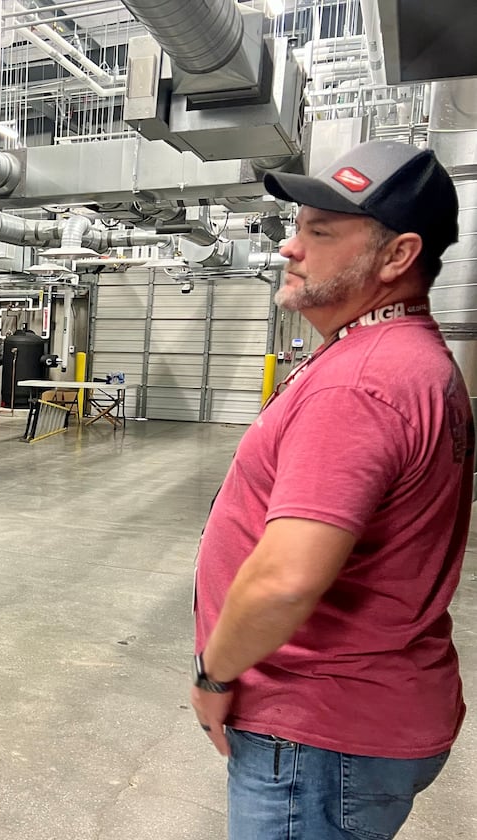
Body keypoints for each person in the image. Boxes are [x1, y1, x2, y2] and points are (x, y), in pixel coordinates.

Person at [191, 140, 473, 839]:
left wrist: (215, 677)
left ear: (397, 256)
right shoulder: (404, 359)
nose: (292, 248)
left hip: (317, 735)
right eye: (298, 228)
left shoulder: (362, 382)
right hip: (354, 727)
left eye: (320, 232)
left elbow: (285, 579)